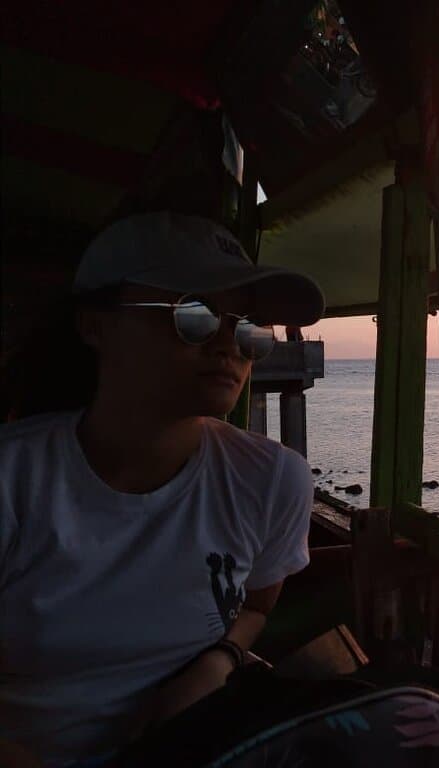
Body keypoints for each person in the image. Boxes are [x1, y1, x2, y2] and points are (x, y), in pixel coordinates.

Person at [0, 212, 325, 765]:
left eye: (247, 327)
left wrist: (219, 658)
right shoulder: (15, 481)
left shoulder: (271, 482)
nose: (230, 345)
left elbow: (257, 605)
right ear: (95, 325)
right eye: (194, 315)